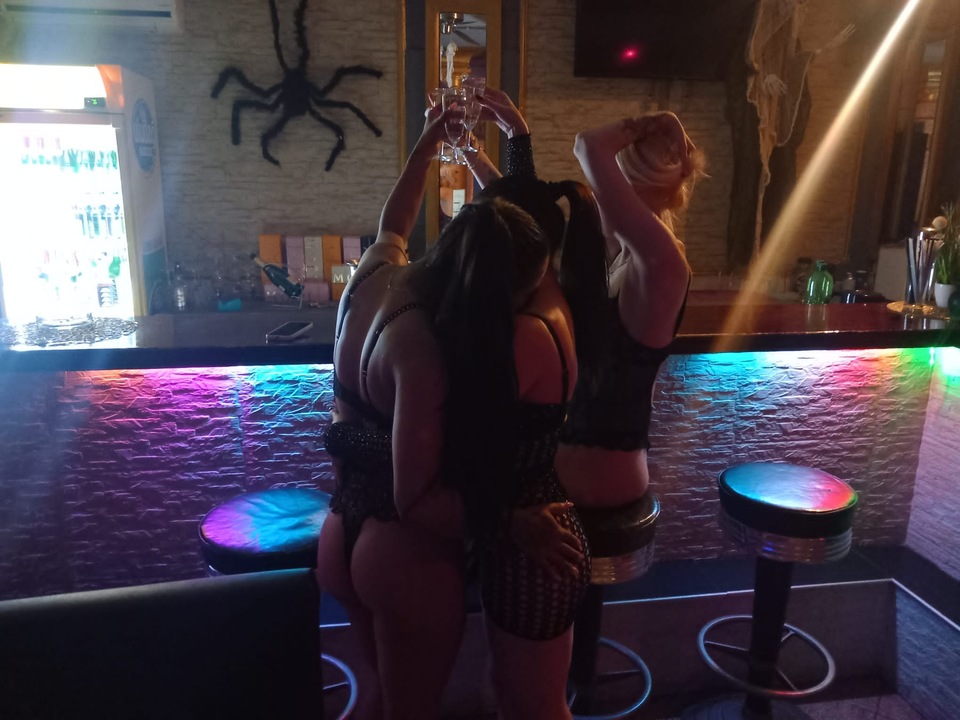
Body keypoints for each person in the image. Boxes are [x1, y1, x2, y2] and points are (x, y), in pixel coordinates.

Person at [315, 104, 568, 720]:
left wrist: (427, 146)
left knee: (381, 700)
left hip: (340, 528)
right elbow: (415, 500)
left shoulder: (376, 275)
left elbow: (394, 221)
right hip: (402, 554)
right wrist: (510, 523)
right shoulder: (424, 349)